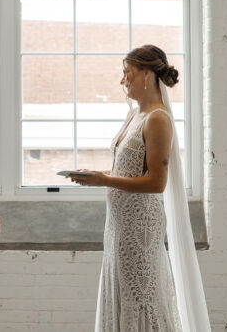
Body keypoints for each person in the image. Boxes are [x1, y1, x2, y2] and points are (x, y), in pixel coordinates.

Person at [69, 44, 211, 332]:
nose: (123, 80)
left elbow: (157, 182)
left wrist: (105, 180)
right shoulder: (134, 115)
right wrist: (97, 175)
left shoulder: (158, 118)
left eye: (127, 73)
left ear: (147, 74)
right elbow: (129, 171)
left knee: (142, 295)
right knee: (122, 291)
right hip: (119, 225)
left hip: (140, 226)